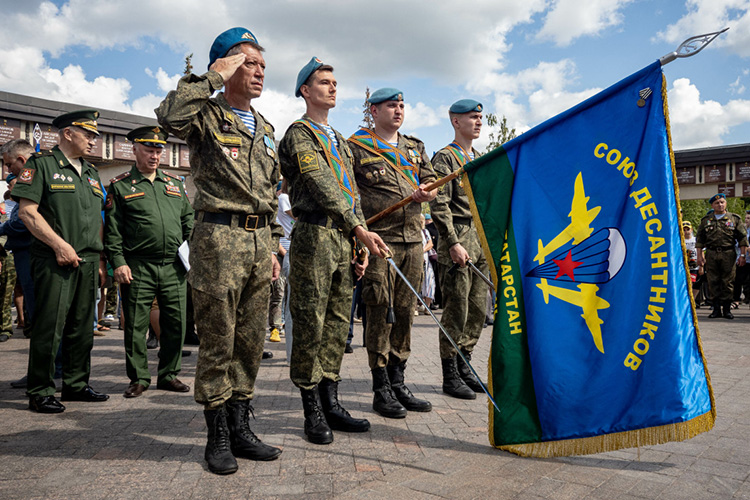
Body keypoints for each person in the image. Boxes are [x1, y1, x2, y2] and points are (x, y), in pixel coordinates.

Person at [156, 27, 282, 475]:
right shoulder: (206, 115)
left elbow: (270, 190)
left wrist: (271, 246)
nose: (259, 72)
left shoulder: (266, 128)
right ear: (226, 65)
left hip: (257, 240)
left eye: (263, 65)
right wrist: (211, 76)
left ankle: (242, 425)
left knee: (249, 341)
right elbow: (169, 116)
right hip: (218, 238)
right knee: (218, 339)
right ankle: (217, 435)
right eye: (249, 62)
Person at [279, 57, 387, 445]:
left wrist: (360, 240)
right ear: (306, 91)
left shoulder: (339, 139)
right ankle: (311, 410)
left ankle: (332, 401)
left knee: (339, 322)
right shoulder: (299, 134)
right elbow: (322, 184)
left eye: (335, 82)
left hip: (343, 239)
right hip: (314, 236)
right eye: (324, 82)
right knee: (311, 323)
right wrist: (356, 226)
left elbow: (351, 192)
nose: (332, 87)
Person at [13, 109, 109, 413]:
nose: (94, 141)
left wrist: (102, 259)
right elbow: (28, 212)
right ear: (68, 133)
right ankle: (40, 390)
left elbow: (96, 218)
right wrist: (59, 245)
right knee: (49, 326)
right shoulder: (41, 166)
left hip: (89, 259)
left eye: (96, 135)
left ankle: (76, 385)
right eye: (89, 134)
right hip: (55, 260)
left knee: (82, 327)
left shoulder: (92, 173)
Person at [348, 87, 436, 419]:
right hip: (379, 242)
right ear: (373, 110)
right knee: (379, 309)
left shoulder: (415, 147)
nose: (398, 110)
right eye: (390, 105)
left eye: (401, 105)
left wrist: (427, 191)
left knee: (404, 311)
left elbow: (430, 178)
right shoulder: (356, 146)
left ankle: (399, 380)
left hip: (413, 240)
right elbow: (351, 195)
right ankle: (380, 385)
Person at [104, 126, 194, 398]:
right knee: (135, 326)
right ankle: (139, 377)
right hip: (138, 266)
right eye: (149, 150)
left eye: (158, 150)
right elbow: (113, 230)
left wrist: (192, 252)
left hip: (173, 267)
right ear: (135, 150)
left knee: (176, 324)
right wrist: (118, 262)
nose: (155, 156)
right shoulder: (120, 186)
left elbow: (188, 221)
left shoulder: (175, 184)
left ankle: (168, 375)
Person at [428, 99, 489, 399]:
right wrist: (452, 242)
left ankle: (466, 364)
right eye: (472, 117)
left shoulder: (479, 158)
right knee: (457, 308)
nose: (478, 121)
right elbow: (439, 204)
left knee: (478, 308)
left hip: (480, 238)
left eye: (480, 117)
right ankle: (450, 374)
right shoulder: (445, 159)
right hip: (459, 234)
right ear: (455, 121)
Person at [695, 193, 747, 319]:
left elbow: (742, 238)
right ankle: (716, 309)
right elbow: (700, 240)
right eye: (717, 203)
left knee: (728, 281)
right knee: (713, 281)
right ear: (712, 205)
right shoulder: (706, 220)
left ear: (726, 204)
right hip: (711, 253)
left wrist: (743, 255)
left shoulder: (734, 219)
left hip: (728, 253)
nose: (720, 204)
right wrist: (699, 256)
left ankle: (727, 309)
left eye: (722, 202)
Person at [683, 221, 701, 304]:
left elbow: (701, 252)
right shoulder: (679, 240)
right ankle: (686, 300)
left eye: (688, 229)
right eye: (684, 229)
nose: (686, 231)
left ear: (691, 229)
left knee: (694, 283)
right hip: (683, 265)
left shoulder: (696, 240)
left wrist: (702, 265)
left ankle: (692, 300)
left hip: (694, 265)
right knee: (686, 283)